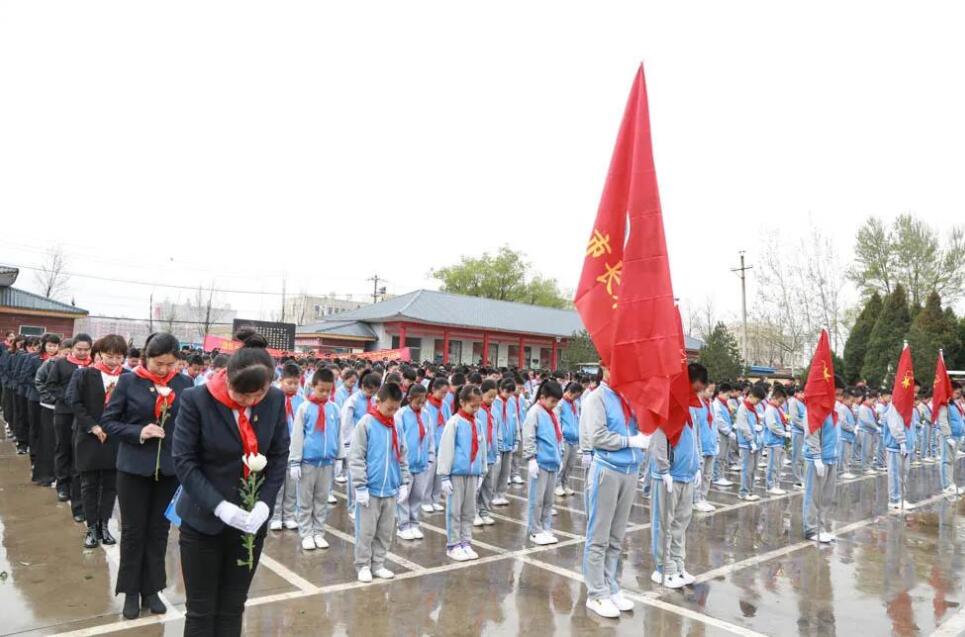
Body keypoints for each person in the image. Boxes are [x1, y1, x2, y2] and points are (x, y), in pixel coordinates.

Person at [172, 329, 290, 637]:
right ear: (228, 379)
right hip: (203, 522)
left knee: (232, 607)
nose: (250, 401)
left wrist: (264, 503)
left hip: (250, 523)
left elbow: (279, 455)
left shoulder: (275, 399)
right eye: (242, 395)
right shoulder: (196, 400)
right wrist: (220, 507)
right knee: (201, 612)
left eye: (257, 395)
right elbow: (184, 461)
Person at [102, 332, 193, 620]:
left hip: (169, 471)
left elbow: (191, 425)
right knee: (133, 531)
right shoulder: (129, 381)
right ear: (146, 358)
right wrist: (138, 431)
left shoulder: (184, 384)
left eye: (170, 364)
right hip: (133, 468)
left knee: (159, 531)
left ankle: (152, 589)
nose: (164, 370)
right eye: (158, 363)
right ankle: (131, 591)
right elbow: (109, 421)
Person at [580, 365, 648, 619]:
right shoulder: (596, 398)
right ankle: (596, 593)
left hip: (630, 470)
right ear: (604, 367)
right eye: (614, 364)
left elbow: (638, 425)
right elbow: (597, 437)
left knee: (617, 536)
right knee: (599, 535)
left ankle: (611, 586)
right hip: (607, 470)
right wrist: (629, 441)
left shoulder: (627, 396)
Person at [650, 362, 707, 590]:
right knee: (664, 523)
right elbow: (658, 438)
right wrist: (663, 469)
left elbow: (695, 439)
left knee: (681, 523)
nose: (699, 392)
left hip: (687, 475)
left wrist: (698, 465)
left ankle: (678, 564)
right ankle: (663, 568)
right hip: (670, 476)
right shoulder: (668, 404)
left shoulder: (691, 409)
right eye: (697, 387)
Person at [69, 335, 127, 549]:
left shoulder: (128, 377)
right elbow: (74, 402)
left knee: (111, 485)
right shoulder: (84, 374)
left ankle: (104, 525)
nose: (114, 361)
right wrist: (92, 426)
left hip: (115, 438)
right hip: (89, 436)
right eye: (109, 356)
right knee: (89, 484)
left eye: (119, 357)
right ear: (100, 354)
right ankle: (92, 527)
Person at [349, 381, 411, 583]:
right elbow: (356, 456)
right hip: (370, 490)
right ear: (379, 401)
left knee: (385, 532)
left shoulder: (397, 425)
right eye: (389, 408)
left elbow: (402, 455)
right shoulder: (366, 423)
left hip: (390, 490)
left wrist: (404, 482)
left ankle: (378, 564)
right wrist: (360, 486)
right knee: (366, 532)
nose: (392, 412)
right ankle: (363, 565)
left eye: (396, 408)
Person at [289, 367, 342, 550]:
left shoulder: (334, 408)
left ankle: (318, 532)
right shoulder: (304, 408)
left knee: (321, 500)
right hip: (308, 463)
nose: (325, 394)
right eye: (321, 390)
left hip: (327, 463)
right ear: (313, 386)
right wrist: (295, 461)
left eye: (328, 390)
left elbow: (338, 434)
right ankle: (306, 533)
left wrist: (339, 458)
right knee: (305, 501)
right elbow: (297, 436)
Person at [44, 333, 93, 519]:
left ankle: (76, 487)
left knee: (78, 451)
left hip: (84, 416)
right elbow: (51, 385)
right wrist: (68, 397)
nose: (82, 352)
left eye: (86, 350)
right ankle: (62, 485)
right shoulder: (61, 364)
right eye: (79, 349)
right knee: (63, 448)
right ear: (72, 348)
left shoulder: (92, 366)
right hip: (64, 413)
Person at [436, 384, 485, 562]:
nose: (476, 409)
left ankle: (466, 541)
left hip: (473, 474)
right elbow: (446, 449)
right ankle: (453, 544)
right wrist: (444, 476)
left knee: (469, 511)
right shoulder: (454, 423)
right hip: (456, 474)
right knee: (454, 511)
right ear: (462, 402)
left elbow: (482, 449)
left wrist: (482, 471)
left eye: (478, 406)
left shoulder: (478, 424)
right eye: (472, 406)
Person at [522, 379, 564, 545]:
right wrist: (531, 458)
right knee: (537, 500)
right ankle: (535, 530)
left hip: (552, 462)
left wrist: (559, 455)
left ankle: (546, 527)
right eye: (552, 401)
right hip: (540, 462)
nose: (554, 405)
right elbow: (529, 436)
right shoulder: (534, 412)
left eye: (556, 402)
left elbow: (557, 436)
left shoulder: (552, 413)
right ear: (543, 397)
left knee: (548, 500)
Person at [803, 374, 844, 543]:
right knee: (813, 495)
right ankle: (811, 529)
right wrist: (816, 456)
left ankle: (820, 526)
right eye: (837, 394)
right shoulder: (815, 409)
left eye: (840, 394)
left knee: (826, 497)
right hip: (817, 459)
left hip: (831, 457)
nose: (839, 398)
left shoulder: (832, 411)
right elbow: (812, 433)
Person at [339, 371, 380, 514]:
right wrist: (346, 444)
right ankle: (352, 506)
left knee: (368, 474)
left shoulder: (375, 401)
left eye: (374, 390)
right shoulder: (353, 401)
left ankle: (364, 504)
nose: (371, 393)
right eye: (369, 389)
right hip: (355, 442)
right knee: (354, 475)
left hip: (371, 442)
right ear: (363, 386)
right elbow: (345, 423)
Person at [270, 362, 303, 531]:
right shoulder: (273, 397)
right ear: (281, 380)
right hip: (277, 447)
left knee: (291, 484)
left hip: (293, 447)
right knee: (277, 482)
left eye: (296, 383)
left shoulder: (301, 400)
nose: (293, 386)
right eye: (289, 383)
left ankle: (289, 515)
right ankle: (275, 516)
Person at [396, 383, 432, 540]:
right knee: (404, 496)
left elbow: (430, 438)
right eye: (418, 402)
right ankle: (403, 525)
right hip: (407, 464)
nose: (421, 405)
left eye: (423, 402)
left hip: (422, 464)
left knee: (418, 495)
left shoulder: (426, 415)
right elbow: (398, 439)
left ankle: (414, 523)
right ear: (410, 398)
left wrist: (430, 458)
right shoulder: (401, 414)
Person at [32, 333, 61, 486]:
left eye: (55, 346)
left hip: (65, 409)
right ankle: (45, 475)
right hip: (48, 406)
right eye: (50, 345)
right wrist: (50, 398)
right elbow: (38, 381)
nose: (52, 348)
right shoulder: (48, 362)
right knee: (47, 440)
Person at [474, 379, 500, 527]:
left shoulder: (494, 411)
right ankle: (474, 512)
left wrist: (497, 452)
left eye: (494, 397)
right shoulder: (476, 411)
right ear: (482, 393)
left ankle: (484, 511)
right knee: (476, 487)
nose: (492, 399)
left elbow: (497, 431)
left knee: (488, 486)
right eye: (489, 396)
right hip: (479, 456)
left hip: (491, 455)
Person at [425, 377, 452, 513]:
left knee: (439, 475)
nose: (443, 395)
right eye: (441, 392)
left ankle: (435, 499)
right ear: (433, 389)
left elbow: (448, 423)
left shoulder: (444, 406)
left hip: (442, 447)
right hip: (430, 447)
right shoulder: (426, 406)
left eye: (446, 393)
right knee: (428, 476)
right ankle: (425, 500)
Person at [735, 384, 766, 501]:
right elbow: (743, 426)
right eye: (757, 400)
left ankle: (750, 490)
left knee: (753, 469)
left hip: (755, 442)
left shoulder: (752, 407)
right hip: (746, 443)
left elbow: (755, 423)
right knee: (747, 469)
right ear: (752, 396)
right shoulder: (743, 408)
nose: (758, 403)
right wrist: (750, 440)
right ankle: (743, 492)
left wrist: (759, 427)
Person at [492, 377, 518, 506]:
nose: (509, 395)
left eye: (511, 393)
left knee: (505, 471)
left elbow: (515, 421)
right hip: (497, 444)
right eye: (507, 392)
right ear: (501, 389)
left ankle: (501, 494)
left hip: (509, 443)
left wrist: (516, 440)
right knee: (495, 472)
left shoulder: (511, 403)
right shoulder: (494, 403)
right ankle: (492, 495)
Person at [555, 382, 584, 497]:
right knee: (562, 464)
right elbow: (557, 421)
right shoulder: (560, 404)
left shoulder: (575, 404)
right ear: (570, 392)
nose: (576, 398)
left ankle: (565, 484)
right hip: (565, 439)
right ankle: (557, 485)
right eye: (575, 396)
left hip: (574, 440)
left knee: (570, 465)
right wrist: (560, 437)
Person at [936, 381, 963, 498]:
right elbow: (942, 420)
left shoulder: (953, 404)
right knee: (946, 461)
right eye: (956, 393)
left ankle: (950, 482)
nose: (958, 395)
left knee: (951, 461)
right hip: (949, 437)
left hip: (956, 436)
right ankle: (946, 485)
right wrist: (947, 436)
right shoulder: (944, 404)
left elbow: (958, 420)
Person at [693, 381, 718, 512]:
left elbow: (714, 424)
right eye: (709, 390)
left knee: (708, 475)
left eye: (713, 391)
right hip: (701, 445)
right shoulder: (696, 405)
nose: (711, 393)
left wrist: (716, 440)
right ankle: (696, 499)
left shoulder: (711, 405)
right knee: (699, 474)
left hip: (711, 445)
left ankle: (703, 497)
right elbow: (695, 428)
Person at [763, 384, 789, 496]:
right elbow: (772, 426)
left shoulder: (778, 409)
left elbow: (783, 421)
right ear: (773, 398)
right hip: (773, 442)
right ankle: (770, 486)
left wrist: (787, 427)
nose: (781, 404)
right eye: (780, 401)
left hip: (780, 441)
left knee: (779, 465)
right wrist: (784, 433)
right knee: (772, 465)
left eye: (782, 402)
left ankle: (776, 484)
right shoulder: (770, 410)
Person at [787, 385, 807, 488]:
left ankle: (802, 477)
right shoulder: (793, 402)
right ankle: (797, 480)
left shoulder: (803, 403)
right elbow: (795, 419)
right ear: (797, 392)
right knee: (797, 456)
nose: (805, 395)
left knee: (802, 457)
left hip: (804, 432)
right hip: (798, 432)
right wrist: (806, 427)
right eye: (803, 393)